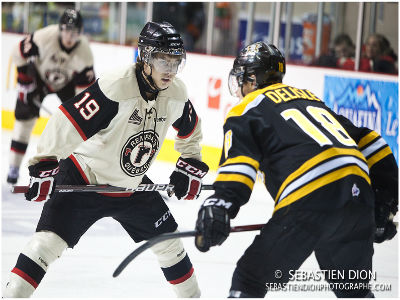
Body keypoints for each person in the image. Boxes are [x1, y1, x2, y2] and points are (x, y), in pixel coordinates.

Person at [3, 21, 209, 298]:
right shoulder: (116, 86)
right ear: (145, 57)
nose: (170, 70)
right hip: (84, 176)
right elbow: (67, 121)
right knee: (44, 246)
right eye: (163, 60)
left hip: (132, 186)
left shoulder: (177, 93)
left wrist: (190, 164)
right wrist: (43, 163)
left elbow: (191, 130)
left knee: (170, 246)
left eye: (175, 62)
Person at [194, 42, 398, 298]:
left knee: (249, 279)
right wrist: (384, 204)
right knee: (353, 290)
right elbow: (373, 143)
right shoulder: (310, 99)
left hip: (310, 198)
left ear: (252, 79)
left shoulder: (245, 109)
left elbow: (239, 167)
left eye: (242, 80)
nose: (240, 88)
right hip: (358, 198)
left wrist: (220, 205)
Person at [7, 8, 96, 184]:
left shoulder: (85, 53)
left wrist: (79, 114)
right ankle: (13, 168)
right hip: (39, 79)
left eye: (75, 32)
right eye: (67, 31)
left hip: (67, 84)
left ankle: (75, 171)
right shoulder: (44, 37)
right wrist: (25, 80)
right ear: (60, 29)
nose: (70, 37)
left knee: (78, 126)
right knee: (24, 120)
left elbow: (84, 93)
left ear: (80, 33)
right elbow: (17, 53)